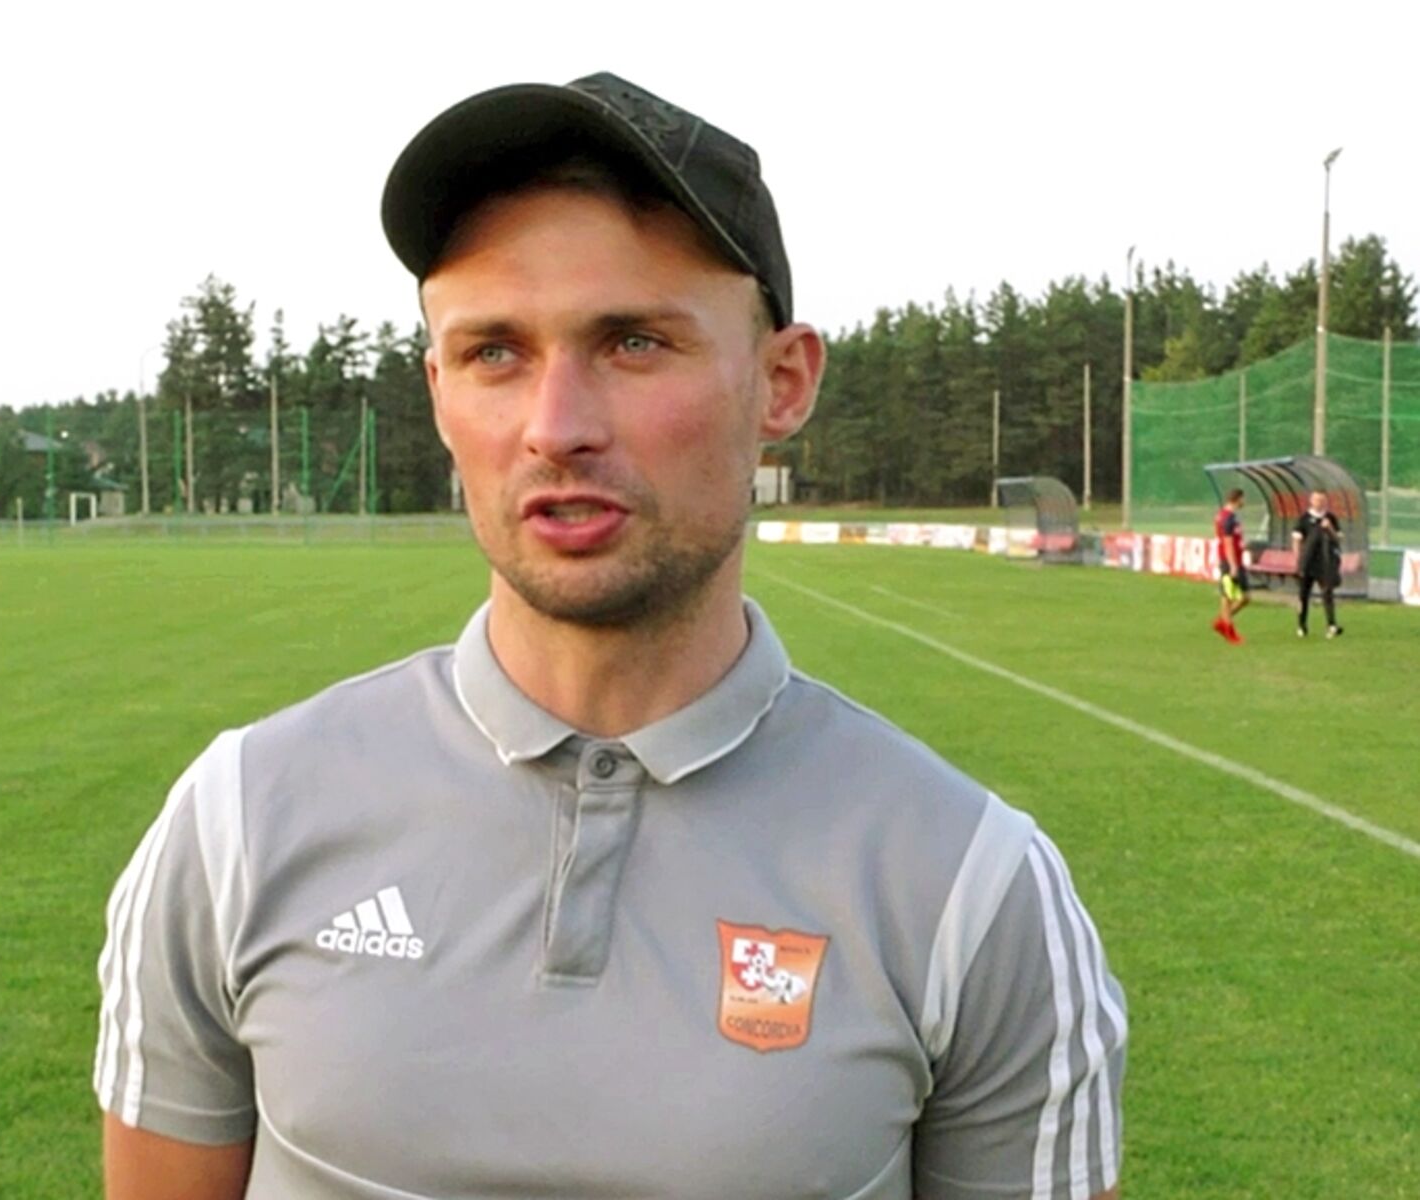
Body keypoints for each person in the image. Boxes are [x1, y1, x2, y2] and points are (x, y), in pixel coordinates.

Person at [94, 72, 1126, 1200]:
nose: (556, 428)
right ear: (438, 392)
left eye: (633, 342)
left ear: (781, 382)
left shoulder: (970, 886)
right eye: (494, 353)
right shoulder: (239, 822)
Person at [1293, 490, 1344, 638]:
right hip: (1308, 562)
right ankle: (1301, 625)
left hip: (1325, 562)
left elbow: (1338, 539)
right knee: (1303, 595)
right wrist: (1298, 560)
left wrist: (1330, 528)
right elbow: (1296, 540)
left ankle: (1331, 625)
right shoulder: (1304, 519)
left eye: (1322, 500)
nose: (1319, 503)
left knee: (1327, 593)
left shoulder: (1331, 518)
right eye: (1316, 500)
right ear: (1311, 501)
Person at [1213, 487, 1250, 644]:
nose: (1244, 502)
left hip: (1233, 560)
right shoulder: (1228, 518)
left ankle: (1222, 622)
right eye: (1243, 498)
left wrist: (1241, 545)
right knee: (1229, 597)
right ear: (1238, 499)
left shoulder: (1223, 515)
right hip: (1231, 562)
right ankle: (1229, 631)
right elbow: (1227, 542)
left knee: (1241, 598)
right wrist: (1233, 565)